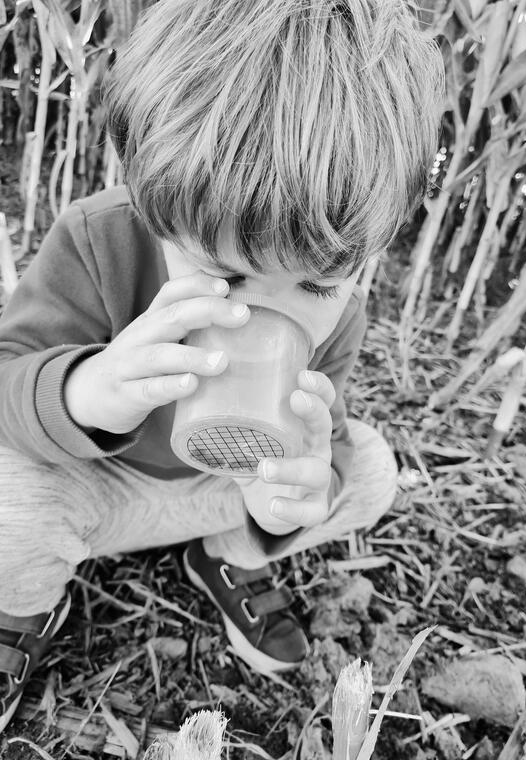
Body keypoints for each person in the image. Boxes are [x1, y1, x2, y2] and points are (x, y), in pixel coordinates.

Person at [0, 0, 444, 732]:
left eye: (317, 286)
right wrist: (87, 391)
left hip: (219, 493)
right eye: (229, 278)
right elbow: (11, 376)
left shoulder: (342, 315)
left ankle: (230, 556)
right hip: (93, 492)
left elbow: (320, 433)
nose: (274, 314)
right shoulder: (99, 241)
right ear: (153, 208)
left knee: (369, 473)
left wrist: (293, 498)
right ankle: (18, 612)